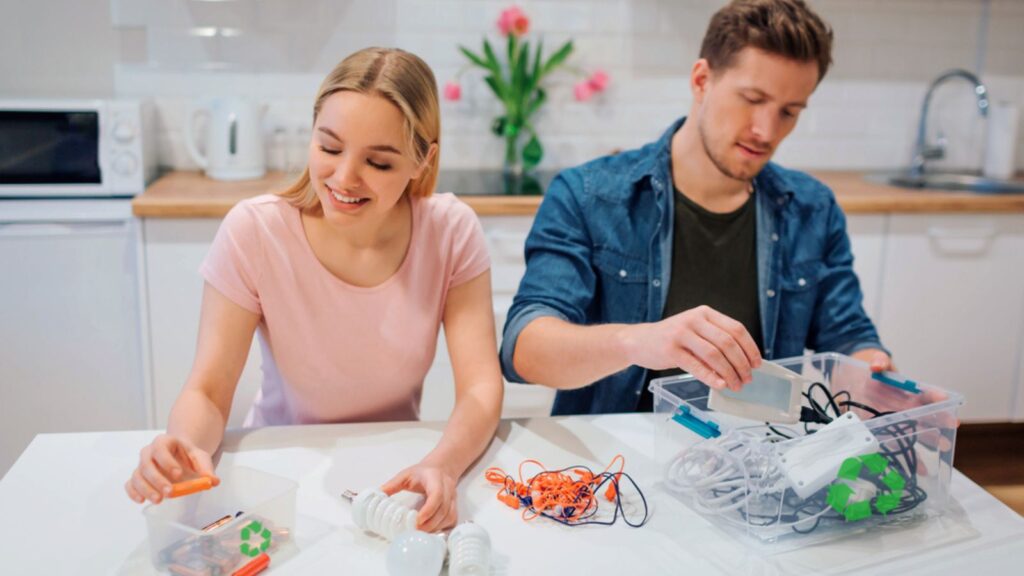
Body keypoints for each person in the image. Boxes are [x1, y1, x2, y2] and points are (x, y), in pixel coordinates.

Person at [125, 47, 503, 532]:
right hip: (280, 466)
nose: (344, 178)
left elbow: (480, 386)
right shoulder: (255, 231)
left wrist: (444, 464)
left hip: (395, 471)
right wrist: (185, 447)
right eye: (329, 148)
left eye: (379, 163)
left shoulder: (451, 231)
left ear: (422, 160)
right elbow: (208, 391)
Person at [501, 0, 892, 416]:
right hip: (618, 462)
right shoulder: (589, 195)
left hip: (753, 462)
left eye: (789, 112)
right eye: (752, 99)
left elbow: (848, 338)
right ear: (702, 80)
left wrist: (884, 387)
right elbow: (524, 349)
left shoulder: (812, 209)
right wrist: (638, 342)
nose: (766, 130)